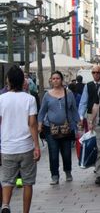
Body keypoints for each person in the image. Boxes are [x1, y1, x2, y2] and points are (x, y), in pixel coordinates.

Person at [0, 66, 40, 213]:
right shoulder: (30, 99)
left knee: (7, 180)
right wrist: (36, 146)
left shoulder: (1, 99)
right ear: (23, 81)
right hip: (26, 147)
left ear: (8, 81)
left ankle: (5, 204)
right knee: (27, 182)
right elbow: (32, 124)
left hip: (7, 147)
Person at [38, 71, 80, 185]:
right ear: (51, 81)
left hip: (67, 128)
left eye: (57, 78)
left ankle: (68, 171)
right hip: (50, 128)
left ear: (61, 80)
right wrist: (39, 124)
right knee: (53, 152)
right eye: (53, 78)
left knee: (66, 153)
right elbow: (42, 111)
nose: (55, 80)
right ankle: (54, 175)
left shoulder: (69, 93)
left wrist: (78, 123)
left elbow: (74, 110)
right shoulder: (47, 95)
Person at [78, 65, 100, 132]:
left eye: (98, 72)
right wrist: (81, 117)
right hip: (90, 114)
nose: (95, 74)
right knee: (90, 135)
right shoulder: (88, 85)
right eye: (93, 72)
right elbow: (83, 101)